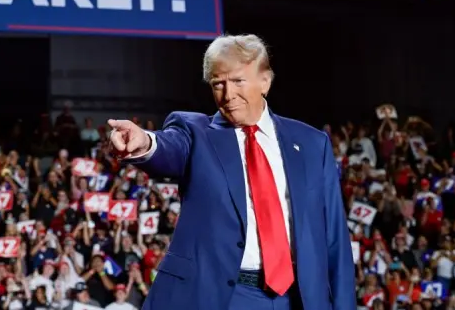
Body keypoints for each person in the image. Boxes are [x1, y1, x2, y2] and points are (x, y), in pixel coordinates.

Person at [108, 34, 356, 310]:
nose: (228, 95)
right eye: (218, 84)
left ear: (265, 81)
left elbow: (335, 241)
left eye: (238, 81)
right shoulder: (196, 133)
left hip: (298, 299)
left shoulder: (312, 144)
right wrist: (144, 142)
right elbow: (168, 148)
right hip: (222, 297)